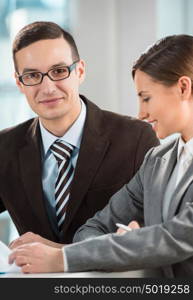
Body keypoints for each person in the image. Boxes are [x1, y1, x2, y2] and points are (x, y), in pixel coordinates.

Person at [9, 34, 193, 277]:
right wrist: (123, 246)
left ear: (183, 87)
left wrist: (64, 257)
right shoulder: (157, 160)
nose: (141, 113)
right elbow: (94, 227)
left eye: (146, 98)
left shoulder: (136, 141)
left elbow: (175, 236)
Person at [0, 21, 158, 248]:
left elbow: (156, 237)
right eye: (33, 75)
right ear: (19, 83)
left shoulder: (136, 139)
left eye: (59, 71)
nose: (47, 88)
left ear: (80, 71)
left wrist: (62, 255)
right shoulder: (5, 147)